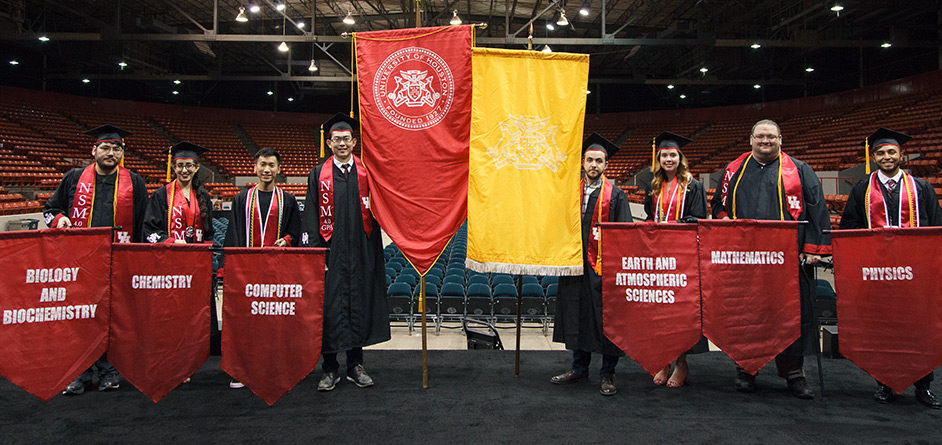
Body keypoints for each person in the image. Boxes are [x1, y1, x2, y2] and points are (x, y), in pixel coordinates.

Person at [710, 119, 831, 400]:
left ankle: (794, 373)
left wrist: (813, 249)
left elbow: (817, 210)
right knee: (747, 314)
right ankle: (746, 369)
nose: (766, 142)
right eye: (760, 137)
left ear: (780, 140)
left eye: (771, 137)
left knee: (789, 315)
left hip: (788, 261)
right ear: (751, 139)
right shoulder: (734, 170)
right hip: (747, 261)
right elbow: (718, 205)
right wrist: (729, 226)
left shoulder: (800, 171)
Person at [838, 127, 942, 409]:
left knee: (918, 327)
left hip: (916, 272)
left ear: (901, 154)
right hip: (877, 271)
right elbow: (849, 227)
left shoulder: (921, 188)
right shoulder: (862, 189)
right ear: (874, 156)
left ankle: (924, 385)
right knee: (884, 326)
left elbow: (935, 227)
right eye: (881, 152)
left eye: (891, 152)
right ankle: (884, 383)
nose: (887, 156)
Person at [43, 124, 148, 395]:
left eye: (116, 148)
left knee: (111, 317)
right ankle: (77, 370)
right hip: (79, 261)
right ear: (94, 150)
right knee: (80, 316)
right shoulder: (74, 178)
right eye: (105, 147)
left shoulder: (134, 182)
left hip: (117, 260)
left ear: (122, 153)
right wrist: (59, 218)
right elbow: (49, 210)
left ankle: (108, 369)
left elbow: (143, 223)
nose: (110, 152)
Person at [301, 113, 390, 392]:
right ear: (329, 143)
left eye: (346, 139)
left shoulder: (366, 173)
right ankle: (329, 369)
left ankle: (355, 365)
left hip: (362, 252)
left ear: (354, 142)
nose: (342, 143)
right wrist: (317, 255)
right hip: (331, 254)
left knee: (358, 305)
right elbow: (311, 216)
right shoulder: (318, 175)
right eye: (336, 139)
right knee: (329, 310)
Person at [552, 133, 632, 396]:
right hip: (576, 266)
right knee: (578, 315)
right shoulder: (570, 194)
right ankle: (579, 368)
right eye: (590, 160)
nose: (594, 165)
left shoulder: (616, 195)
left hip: (603, 268)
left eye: (599, 161)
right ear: (583, 163)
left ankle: (607, 374)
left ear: (606, 165)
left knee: (607, 320)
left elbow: (625, 234)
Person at [223, 147, 302, 389]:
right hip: (247, 271)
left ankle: (275, 365)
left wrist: (286, 240)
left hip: (277, 270)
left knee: (274, 318)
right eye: (262, 165)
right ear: (255, 168)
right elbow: (233, 234)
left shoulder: (287, 200)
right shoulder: (240, 199)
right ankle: (242, 369)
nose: (266, 169)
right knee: (246, 319)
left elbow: (296, 233)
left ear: (279, 169)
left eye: (271, 165)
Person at [642, 131, 709, 388]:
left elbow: (699, 219)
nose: (668, 159)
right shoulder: (654, 185)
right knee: (659, 309)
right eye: (664, 156)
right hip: (658, 255)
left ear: (680, 158)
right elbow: (650, 216)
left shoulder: (694, 186)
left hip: (683, 256)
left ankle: (681, 363)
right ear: (658, 159)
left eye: (672, 155)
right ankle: (664, 359)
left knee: (680, 312)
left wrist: (671, 226)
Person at [143, 142, 214, 244]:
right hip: (169, 254)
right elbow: (149, 230)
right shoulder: (161, 195)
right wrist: (172, 242)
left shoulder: (203, 196)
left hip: (198, 255)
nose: (184, 170)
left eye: (189, 165)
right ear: (174, 167)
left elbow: (209, 232)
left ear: (196, 167)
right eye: (180, 165)